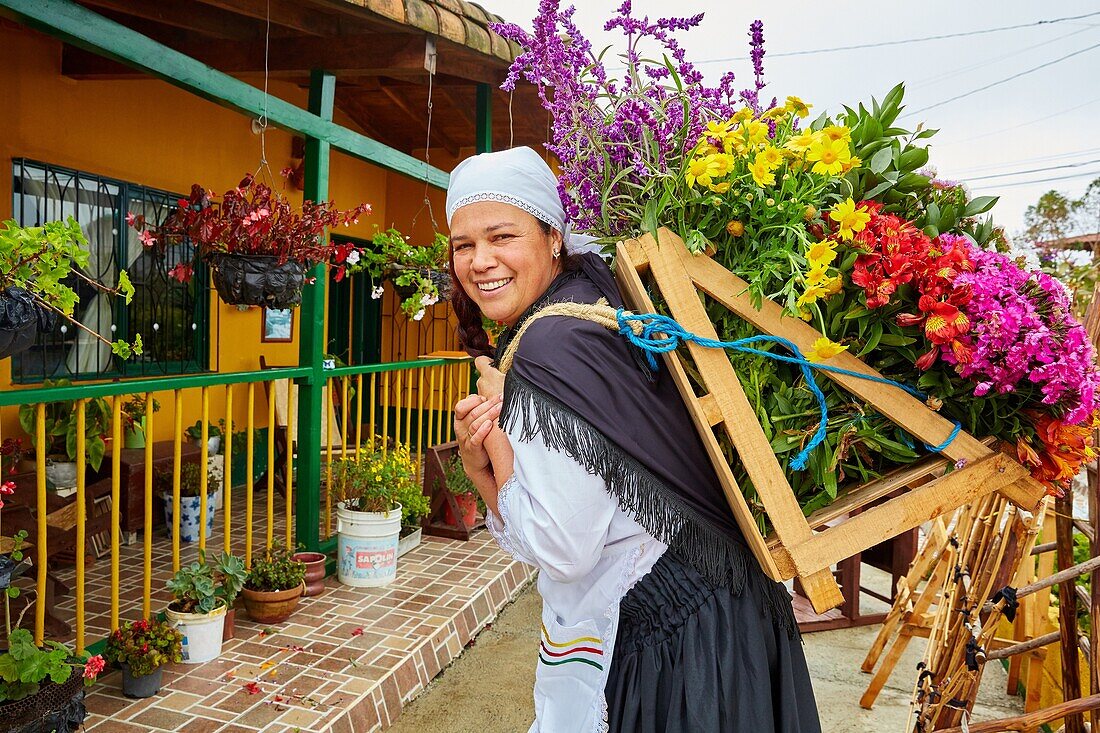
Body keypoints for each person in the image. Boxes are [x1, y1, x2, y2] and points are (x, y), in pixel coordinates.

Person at [448, 146, 820, 733]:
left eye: (502, 236)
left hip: (683, 649)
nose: (480, 261)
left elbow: (562, 549)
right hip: (726, 614)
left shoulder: (549, 350)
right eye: (463, 245)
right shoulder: (593, 303)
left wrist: (486, 454)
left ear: (552, 237)